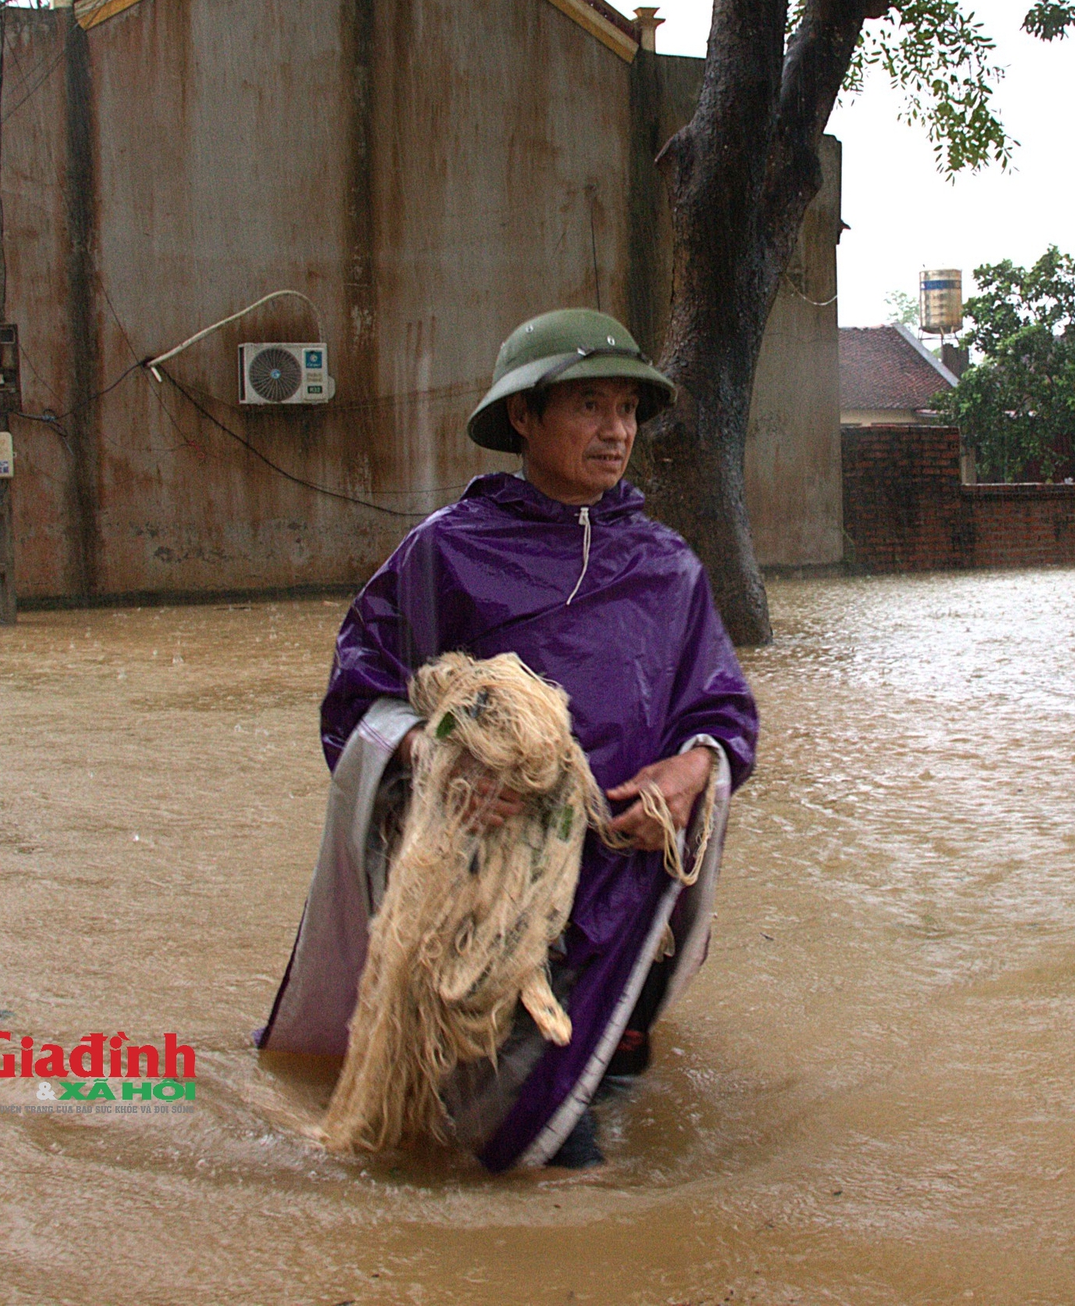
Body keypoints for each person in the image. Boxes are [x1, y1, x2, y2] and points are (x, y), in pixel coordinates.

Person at [257, 309, 759, 1171]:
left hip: (626, 893)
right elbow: (358, 698)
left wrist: (694, 770)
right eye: (590, 406)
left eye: (629, 410)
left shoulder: (668, 566)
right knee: (553, 1154)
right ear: (523, 418)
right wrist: (440, 759)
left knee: (600, 1089)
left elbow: (722, 710)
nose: (616, 431)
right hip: (494, 890)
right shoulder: (444, 553)